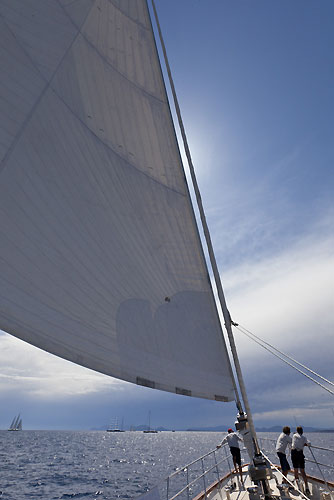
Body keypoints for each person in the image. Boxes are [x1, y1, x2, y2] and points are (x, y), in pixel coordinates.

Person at [291, 426, 310, 494]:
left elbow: (295, 438)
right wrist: (304, 444)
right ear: (302, 431)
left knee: (296, 470)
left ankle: (299, 487)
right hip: (300, 454)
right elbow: (309, 444)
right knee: (302, 471)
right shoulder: (304, 438)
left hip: (294, 453)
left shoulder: (294, 436)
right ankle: (307, 487)